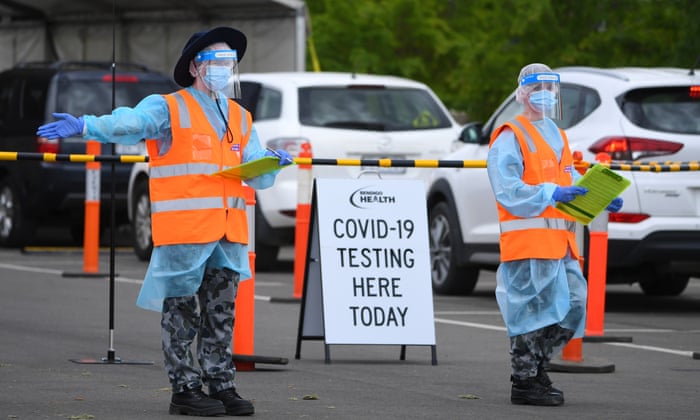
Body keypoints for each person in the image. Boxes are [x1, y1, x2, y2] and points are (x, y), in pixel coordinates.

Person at [37, 27, 293, 417]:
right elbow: (130, 123)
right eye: (217, 61)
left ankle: (221, 384)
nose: (224, 69)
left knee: (221, 314)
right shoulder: (169, 107)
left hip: (228, 233)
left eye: (230, 62)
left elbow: (253, 170)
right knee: (182, 313)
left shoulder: (240, 117)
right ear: (194, 66)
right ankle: (185, 389)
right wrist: (86, 125)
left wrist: (271, 163)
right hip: (185, 233)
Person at [486, 63, 623, 406]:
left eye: (550, 89)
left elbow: (568, 179)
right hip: (528, 243)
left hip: (560, 242)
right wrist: (551, 193)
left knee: (574, 305)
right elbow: (507, 190)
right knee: (531, 314)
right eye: (538, 89)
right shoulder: (510, 135)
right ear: (523, 94)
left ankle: (536, 366)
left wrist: (600, 195)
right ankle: (524, 380)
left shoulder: (556, 134)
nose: (545, 95)